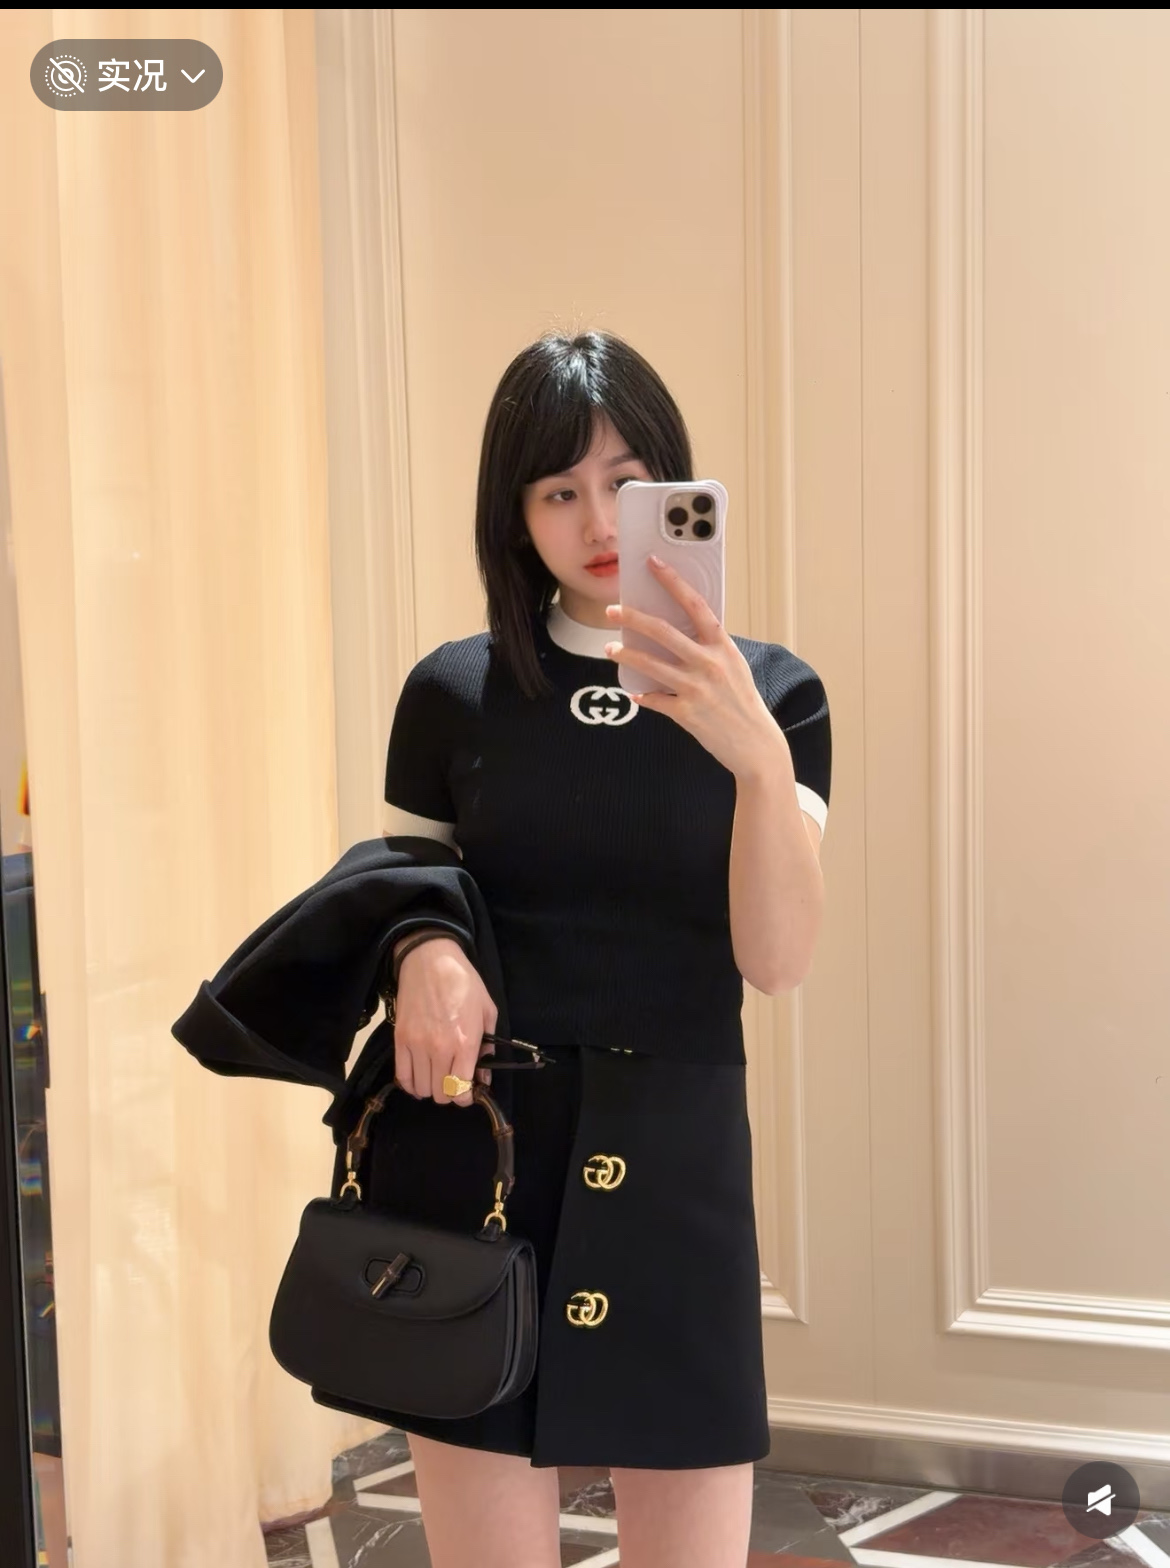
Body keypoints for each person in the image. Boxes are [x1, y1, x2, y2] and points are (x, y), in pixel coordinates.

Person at [374, 330, 831, 1568]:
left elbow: (777, 959)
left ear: (673, 486)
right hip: (481, 1151)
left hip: (678, 1161)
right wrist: (423, 948)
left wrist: (756, 757)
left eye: (623, 483)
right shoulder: (452, 692)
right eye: (556, 489)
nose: (593, 521)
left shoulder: (779, 692)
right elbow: (406, 892)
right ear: (512, 512)